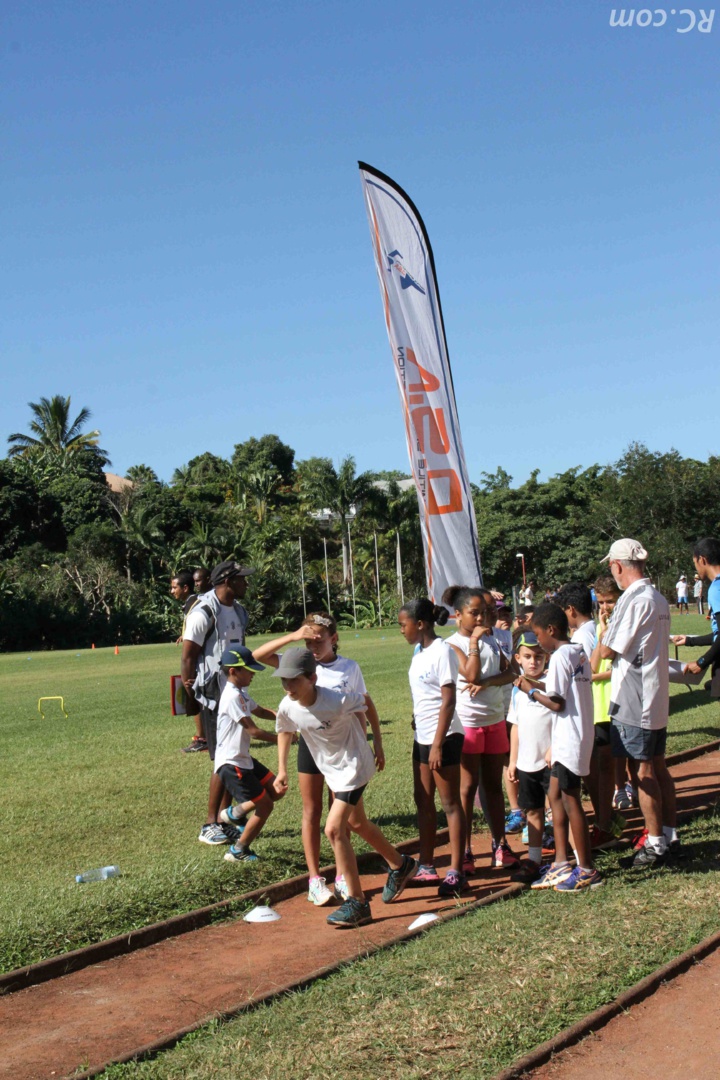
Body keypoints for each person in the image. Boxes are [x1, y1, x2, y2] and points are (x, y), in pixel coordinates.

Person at [273, 649, 417, 927]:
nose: (288, 687)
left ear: (312, 678)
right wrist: (281, 768)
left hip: (354, 765)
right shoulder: (288, 704)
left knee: (334, 828)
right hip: (333, 770)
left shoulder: (335, 699)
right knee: (357, 823)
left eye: (294, 680)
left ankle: (358, 902)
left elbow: (366, 702)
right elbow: (284, 730)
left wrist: (378, 742)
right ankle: (401, 864)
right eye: (283, 681)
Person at [252, 612, 384, 906]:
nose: (314, 644)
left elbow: (362, 706)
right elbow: (258, 655)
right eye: (310, 638)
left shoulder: (348, 668)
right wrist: (295, 636)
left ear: (334, 639)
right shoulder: (297, 660)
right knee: (312, 811)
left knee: (342, 816)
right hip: (311, 748)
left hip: (341, 750)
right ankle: (314, 880)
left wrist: (372, 742)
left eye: (319, 639)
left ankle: (342, 875)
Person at [598, 539, 678, 868]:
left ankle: (656, 844)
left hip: (635, 698)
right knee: (657, 766)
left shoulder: (634, 600)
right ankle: (668, 836)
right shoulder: (657, 597)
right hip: (653, 696)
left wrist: (604, 626)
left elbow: (606, 651)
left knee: (641, 770)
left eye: (611, 567)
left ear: (617, 566)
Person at [524, 602, 602, 892]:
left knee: (571, 802)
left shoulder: (558, 658)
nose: (537, 641)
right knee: (555, 793)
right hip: (578, 733)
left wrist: (529, 691)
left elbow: (556, 703)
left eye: (537, 634)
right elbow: (561, 691)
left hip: (569, 738)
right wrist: (534, 685)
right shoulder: (577, 651)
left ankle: (586, 870)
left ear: (550, 630)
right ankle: (561, 863)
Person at [444, 587, 518, 873]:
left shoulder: (493, 641)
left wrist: (488, 683)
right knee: (467, 788)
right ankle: (465, 851)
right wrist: (474, 642)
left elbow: (512, 673)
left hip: (495, 720)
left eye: (484, 613)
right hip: (468, 723)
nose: (480, 618)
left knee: (493, 787)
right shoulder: (452, 644)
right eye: (474, 613)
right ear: (458, 615)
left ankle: (500, 845)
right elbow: (470, 673)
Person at [182, 560, 254, 845]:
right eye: (242, 579)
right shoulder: (204, 612)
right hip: (212, 697)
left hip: (234, 694)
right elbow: (188, 657)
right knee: (222, 762)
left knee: (231, 759)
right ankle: (209, 824)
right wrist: (192, 700)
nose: (246, 584)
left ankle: (225, 820)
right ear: (226, 581)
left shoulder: (238, 611)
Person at [399, 597, 467, 896]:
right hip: (422, 737)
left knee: (450, 803)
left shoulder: (442, 652)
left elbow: (448, 699)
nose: (401, 629)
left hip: (445, 738)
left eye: (404, 624)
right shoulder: (418, 652)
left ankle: (456, 871)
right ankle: (426, 866)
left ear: (421, 624)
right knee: (423, 800)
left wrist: (438, 743)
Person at [212, 646, 286, 862]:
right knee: (265, 805)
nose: (253, 674)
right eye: (249, 670)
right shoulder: (231, 697)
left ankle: (234, 814)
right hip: (231, 763)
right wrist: (282, 737)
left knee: (277, 789)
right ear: (234, 671)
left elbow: (261, 711)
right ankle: (238, 851)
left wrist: (288, 717)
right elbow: (253, 731)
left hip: (243, 759)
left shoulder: (241, 693)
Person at [507, 630, 553, 884]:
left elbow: (561, 716)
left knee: (557, 809)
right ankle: (534, 860)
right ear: (518, 659)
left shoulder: (551, 684)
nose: (533, 661)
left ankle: (567, 859)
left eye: (538, 656)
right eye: (527, 656)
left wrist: (553, 747)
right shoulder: (517, 689)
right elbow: (515, 725)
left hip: (550, 761)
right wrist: (513, 760)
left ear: (546, 658)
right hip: (527, 762)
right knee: (533, 811)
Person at [672, 537, 720, 683]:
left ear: (702, 560)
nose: (696, 568)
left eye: (695, 563)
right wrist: (690, 640)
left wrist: (702, 662)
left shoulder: (716, 588)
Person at [171, 570, 206, 754]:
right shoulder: (191, 603)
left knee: (194, 694)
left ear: (185, 588)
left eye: (174, 587)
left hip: (199, 660)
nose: (172, 591)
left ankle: (202, 739)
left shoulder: (195, 604)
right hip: (199, 657)